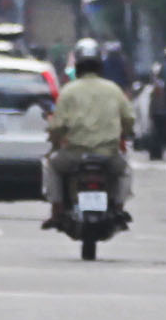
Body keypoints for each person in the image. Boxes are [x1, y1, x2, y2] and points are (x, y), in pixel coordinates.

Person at [41, 39, 134, 229]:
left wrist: (55, 140)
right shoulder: (113, 89)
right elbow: (129, 118)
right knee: (124, 171)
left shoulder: (68, 91)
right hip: (107, 155)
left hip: (75, 154)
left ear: (77, 64)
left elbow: (57, 125)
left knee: (51, 167)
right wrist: (124, 132)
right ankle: (118, 207)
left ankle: (57, 210)